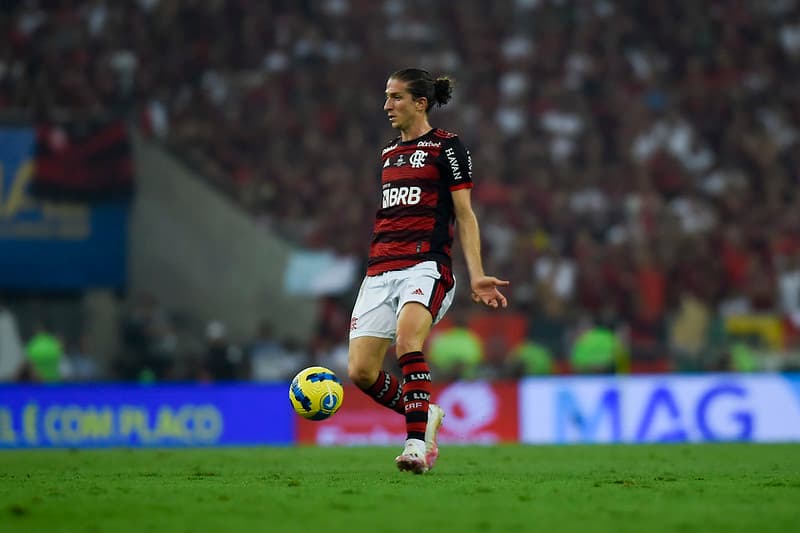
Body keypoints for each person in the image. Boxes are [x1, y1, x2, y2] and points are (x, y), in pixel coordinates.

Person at [347, 68, 509, 474]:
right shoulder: (387, 153)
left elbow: (465, 215)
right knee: (361, 372)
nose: (387, 106)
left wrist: (477, 274)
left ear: (421, 102)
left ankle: (416, 445)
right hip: (380, 268)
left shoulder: (447, 147)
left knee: (407, 342)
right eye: (386, 97)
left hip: (426, 265)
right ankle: (427, 412)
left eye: (396, 97)